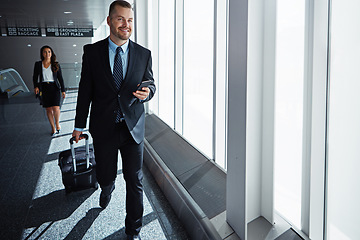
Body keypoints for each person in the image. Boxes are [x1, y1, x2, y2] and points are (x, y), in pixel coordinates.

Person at [72, 1, 156, 239]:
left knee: (135, 180)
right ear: (109, 21)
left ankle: (133, 229)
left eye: (129, 20)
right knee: (106, 175)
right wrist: (79, 125)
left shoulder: (143, 54)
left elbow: (150, 82)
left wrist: (148, 92)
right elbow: (85, 90)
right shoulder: (92, 52)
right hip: (104, 127)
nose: (126, 25)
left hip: (132, 129)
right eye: (120, 19)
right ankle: (107, 189)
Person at [33, 45, 66, 136]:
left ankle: (57, 124)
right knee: (48, 109)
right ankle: (53, 127)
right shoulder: (38, 64)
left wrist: (63, 90)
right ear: (42, 53)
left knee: (56, 107)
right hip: (44, 88)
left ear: (51, 53)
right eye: (45, 52)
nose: (47, 53)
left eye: (49, 51)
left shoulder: (56, 64)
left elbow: (60, 78)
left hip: (54, 88)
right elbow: (35, 77)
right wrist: (36, 86)